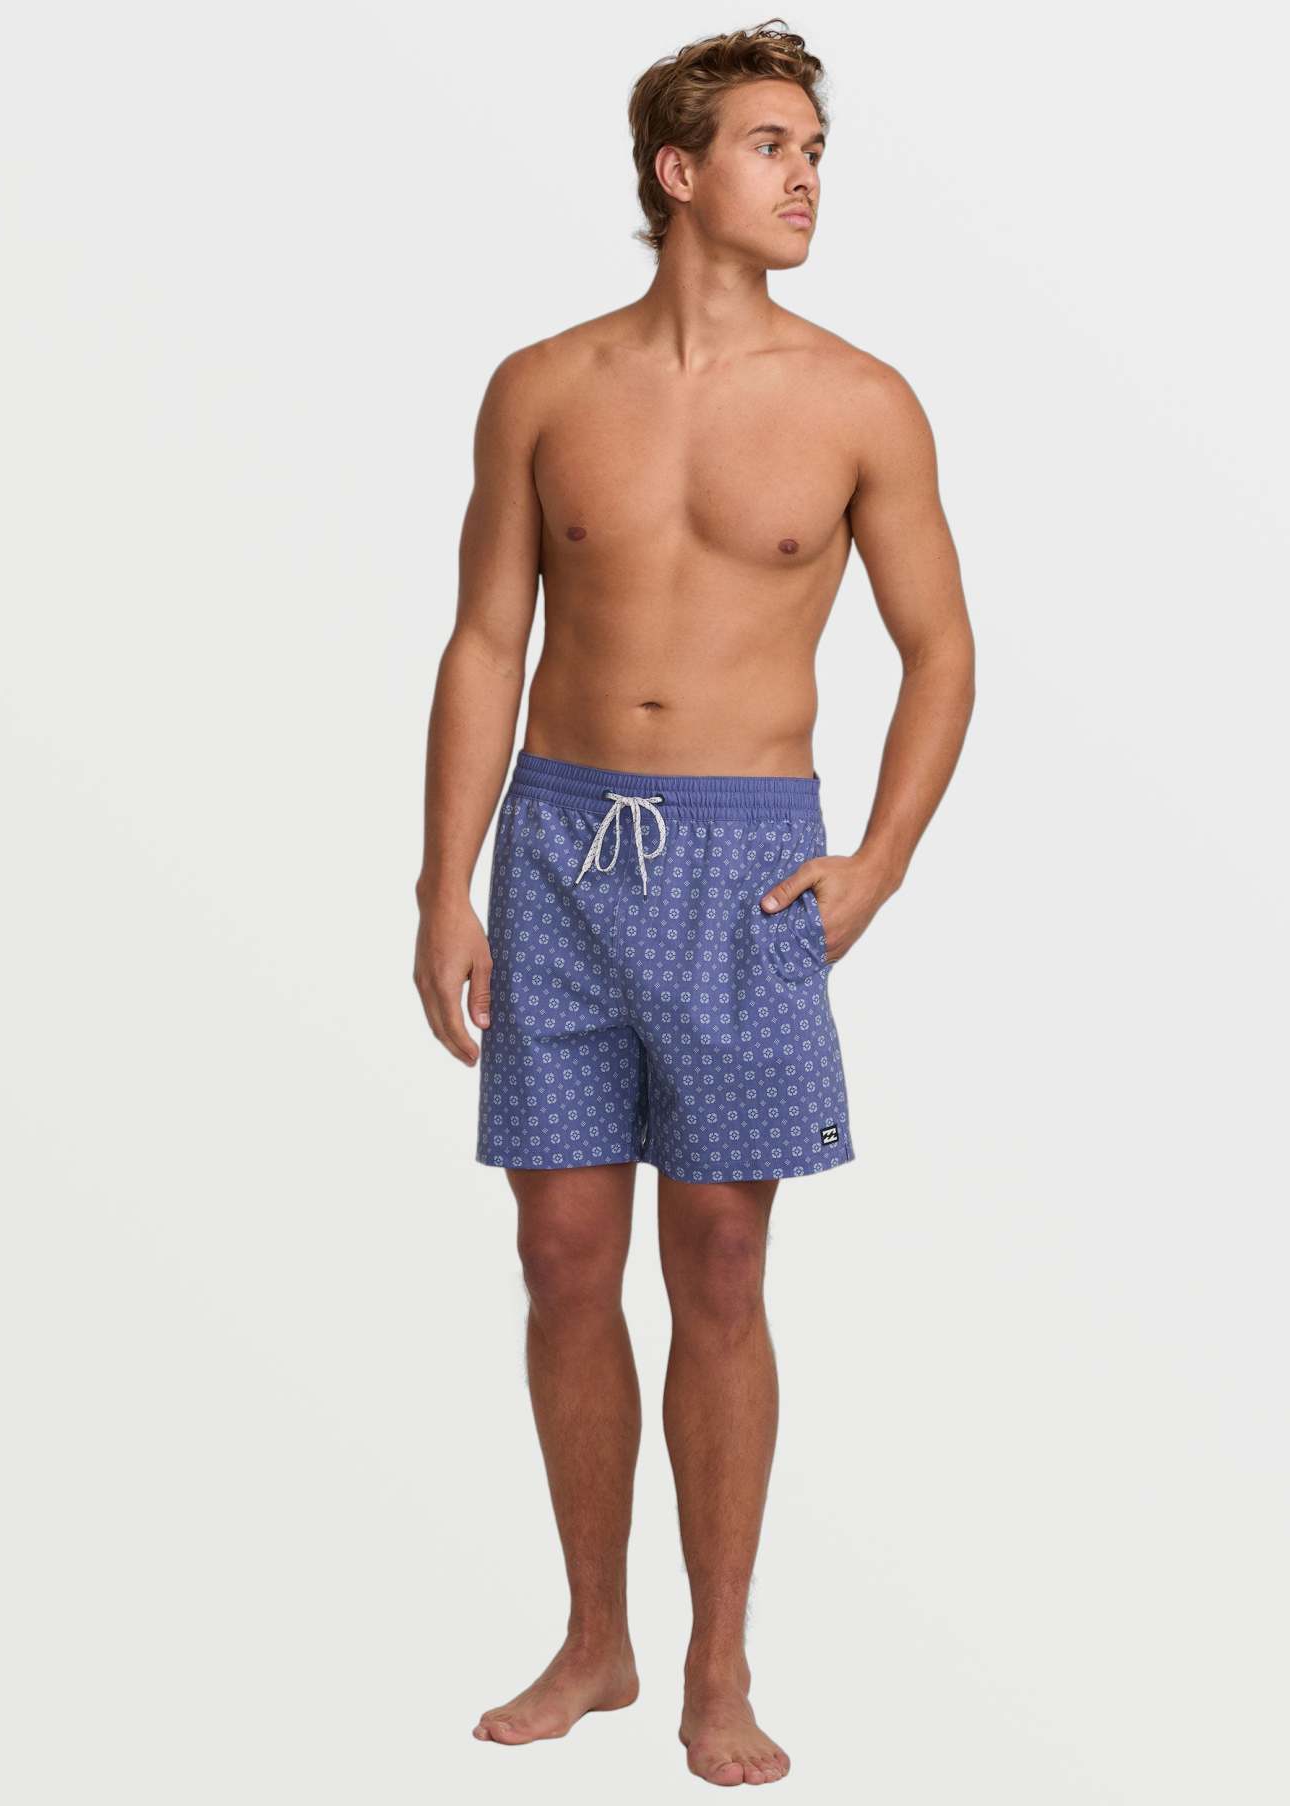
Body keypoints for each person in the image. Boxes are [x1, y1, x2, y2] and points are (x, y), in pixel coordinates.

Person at [413, 19, 975, 1788]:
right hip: (560, 850)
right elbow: (485, 639)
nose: (805, 177)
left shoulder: (861, 399)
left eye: (814, 150)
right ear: (677, 170)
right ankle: (596, 1637)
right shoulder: (541, 383)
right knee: (559, 1253)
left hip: (747, 859)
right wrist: (443, 884)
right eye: (769, 145)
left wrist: (878, 857)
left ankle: (718, 1666)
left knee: (721, 1255)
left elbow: (941, 648)